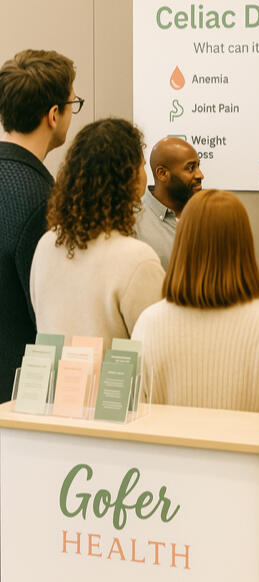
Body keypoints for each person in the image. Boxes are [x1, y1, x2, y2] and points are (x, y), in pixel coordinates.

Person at [132, 189, 259, 415]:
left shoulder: (148, 323)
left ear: (182, 242)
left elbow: (136, 419)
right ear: (244, 244)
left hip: (165, 441)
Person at [30, 118, 164, 349]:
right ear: (130, 177)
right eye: (142, 165)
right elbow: (158, 344)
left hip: (55, 373)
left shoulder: (47, 244)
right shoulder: (137, 259)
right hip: (116, 374)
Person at [0, 49, 78, 402]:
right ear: (53, 115)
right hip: (18, 400)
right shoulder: (45, 202)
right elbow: (50, 318)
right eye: (73, 104)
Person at [135, 137, 204, 269]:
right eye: (190, 168)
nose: (200, 175)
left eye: (198, 166)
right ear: (162, 173)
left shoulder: (206, 214)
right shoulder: (134, 221)